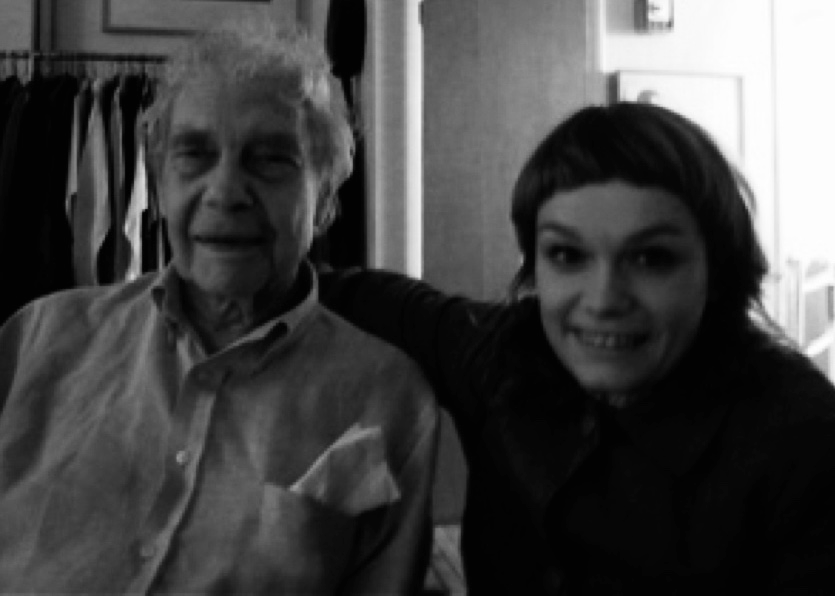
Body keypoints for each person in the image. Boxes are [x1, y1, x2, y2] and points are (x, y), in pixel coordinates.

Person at [0, 18, 438, 595]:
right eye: (195, 154)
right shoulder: (36, 340)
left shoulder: (388, 400)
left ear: (326, 199)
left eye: (271, 159)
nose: (226, 192)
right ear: (160, 184)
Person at [321, 102, 835, 594]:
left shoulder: (801, 434)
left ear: (717, 271)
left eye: (652, 258)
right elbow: (354, 295)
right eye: (567, 255)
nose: (604, 299)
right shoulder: (501, 355)